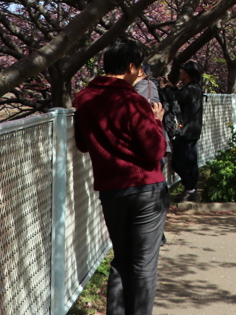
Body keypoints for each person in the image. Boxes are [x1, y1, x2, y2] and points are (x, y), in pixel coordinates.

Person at [74, 39, 168, 315]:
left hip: (111, 190)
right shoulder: (133, 101)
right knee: (144, 265)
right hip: (146, 189)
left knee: (122, 260)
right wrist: (157, 121)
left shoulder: (84, 99)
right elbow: (154, 151)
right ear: (130, 67)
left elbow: (82, 143)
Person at [171, 60, 204, 202]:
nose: (180, 73)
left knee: (178, 162)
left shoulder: (190, 89)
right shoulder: (195, 88)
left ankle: (190, 188)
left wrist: (167, 88)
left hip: (186, 132)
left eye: (182, 71)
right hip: (193, 130)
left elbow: (176, 97)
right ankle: (192, 190)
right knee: (191, 162)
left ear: (187, 74)